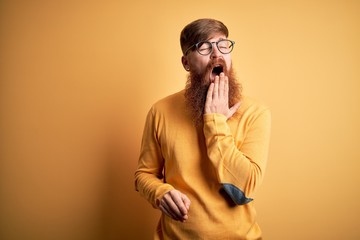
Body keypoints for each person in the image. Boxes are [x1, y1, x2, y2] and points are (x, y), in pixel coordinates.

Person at [135, 18, 271, 239]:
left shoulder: (255, 112)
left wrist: (215, 122)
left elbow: (245, 188)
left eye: (223, 44)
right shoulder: (160, 111)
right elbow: (144, 175)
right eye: (204, 47)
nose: (217, 54)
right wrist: (161, 193)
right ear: (186, 63)